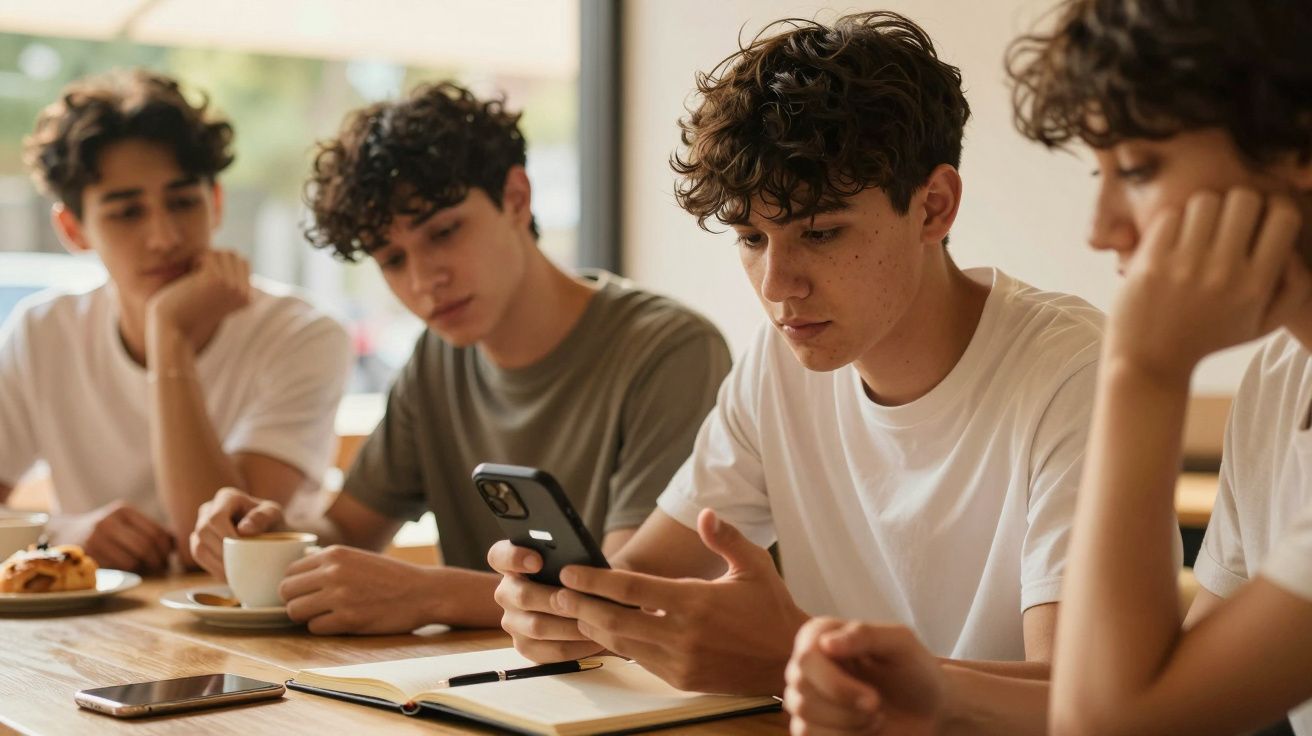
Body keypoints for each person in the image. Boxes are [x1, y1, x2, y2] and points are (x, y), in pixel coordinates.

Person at [490, 12, 1105, 729]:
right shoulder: (777, 369)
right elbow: (642, 575)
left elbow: (1081, 705)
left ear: (933, 206)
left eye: (819, 233)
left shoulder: (1073, 370)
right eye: (751, 237)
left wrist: (788, 654)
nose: (778, 285)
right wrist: (569, 608)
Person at [785, 2, 1312, 735]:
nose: (1100, 229)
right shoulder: (1284, 380)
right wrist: (939, 690)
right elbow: (1184, 707)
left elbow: (1114, 724)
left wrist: (1143, 371)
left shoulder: (1143, 368)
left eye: (1136, 169)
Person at [189, 82, 731, 635]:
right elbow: (345, 530)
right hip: (494, 690)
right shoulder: (438, 359)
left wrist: (432, 595)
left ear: (516, 198)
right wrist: (276, 537)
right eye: (393, 259)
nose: (425, 280)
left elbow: (631, 598)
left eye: (444, 232)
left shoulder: (670, 350)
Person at [0, 69, 351, 574]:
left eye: (183, 202)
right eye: (127, 213)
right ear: (73, 229)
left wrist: (169, 334)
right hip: (101, 633)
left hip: (267, 632)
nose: (163, 237)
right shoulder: (42, 332)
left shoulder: (302, 334)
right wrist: (62, 534)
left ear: (216, 203)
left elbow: (219, 549)